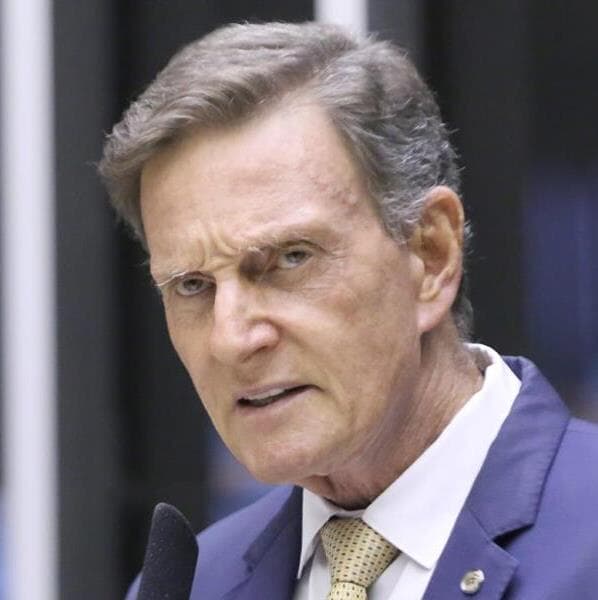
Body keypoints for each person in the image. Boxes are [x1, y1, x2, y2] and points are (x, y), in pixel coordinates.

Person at [99, 21, 598, 600]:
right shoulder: (195, 584)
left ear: (430, 255)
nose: (231, 339)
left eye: (290, 259)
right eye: (191, 285)